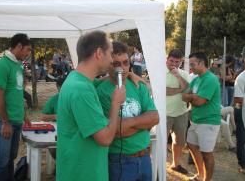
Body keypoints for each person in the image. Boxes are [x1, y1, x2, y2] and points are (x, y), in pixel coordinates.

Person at [56, 31, 126, 181]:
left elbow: (99, 81)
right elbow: (105, 139)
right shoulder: (82, 90)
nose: (112, 59)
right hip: (83, 174)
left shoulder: (77, 79)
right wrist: (115, 103)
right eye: (110, 53)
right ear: (99, 53)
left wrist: (129, 74)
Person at [97, 41, 159, 181]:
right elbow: (116, 131)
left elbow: (155, 117)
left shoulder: (138, 85)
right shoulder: (101, 92)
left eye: (125, 63)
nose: (122, 69)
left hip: (144, 157)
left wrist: (129, 124)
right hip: (119, 160)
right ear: (108, 65)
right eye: (116, 64)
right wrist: (143, 124)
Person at [0, 33, 32, 181]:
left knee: (11, 158)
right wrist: (5, 123)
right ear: (19, 46)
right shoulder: (1, 66)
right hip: (4, 122)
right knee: (1, 161)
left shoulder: (18, 65)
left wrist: (24, 115)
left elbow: (18, 92)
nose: (28, 54)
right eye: (27, 49)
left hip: (16, 119)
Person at [182, 52, 221, 181]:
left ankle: (206, 179)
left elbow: (199, 102)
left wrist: (191, 97)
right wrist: (193, 96)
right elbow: (184, 96)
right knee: (191, 145)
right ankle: (200, 175)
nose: (191, 67)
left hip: (208, 122)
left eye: (193, 64)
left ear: (201, 63)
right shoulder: (196, 79)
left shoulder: (210, 79)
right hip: (196, 120)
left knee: (206, 154)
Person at [166, 49, 190, 175]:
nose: (173, 64)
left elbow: (187, 90)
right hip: (164, 113)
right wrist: (180, 89)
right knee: (161, 140)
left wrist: (178, 76)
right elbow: (164, 91)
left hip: (181, 112)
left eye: (177, 62)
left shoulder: (184, 74)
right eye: (171, 61)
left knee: (179, 141)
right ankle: (159, 165)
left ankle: (175, 164)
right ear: (167, 59)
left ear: (180, 62)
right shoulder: (160, 72)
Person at [233, 47, 245, 174]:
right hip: (241, 111)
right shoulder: (241, 78)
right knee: (242, 138)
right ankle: (243, 165)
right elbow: (238, 99)